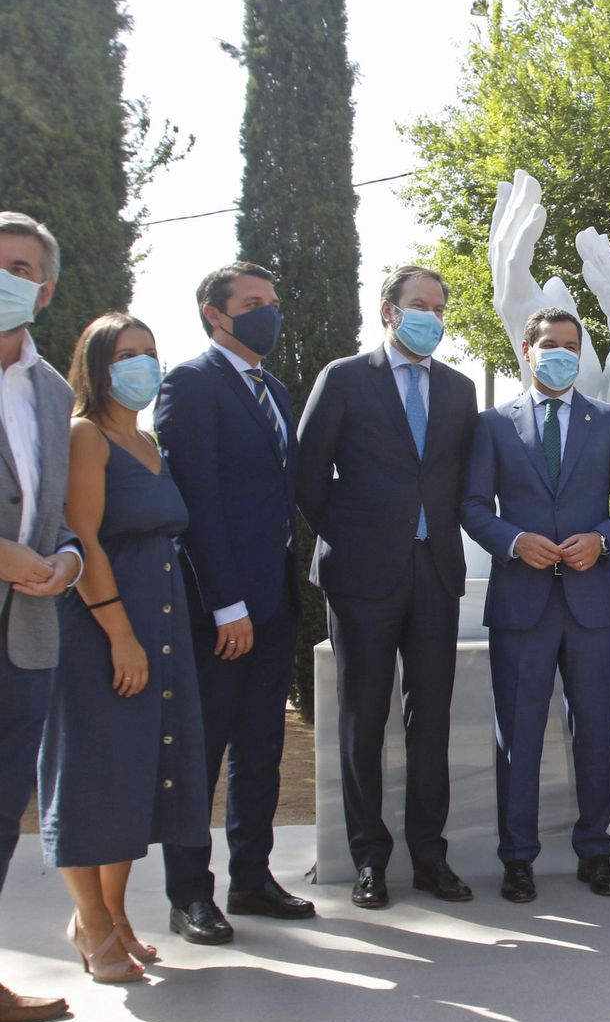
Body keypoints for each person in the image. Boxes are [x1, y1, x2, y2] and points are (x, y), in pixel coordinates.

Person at [297, 266, 479, 909]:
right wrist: (351, 540)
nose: (430, 315)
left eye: (438, 306)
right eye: (417, 305)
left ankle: (431, 858)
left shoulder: (458, 390)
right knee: (362, 720)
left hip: (436, 575)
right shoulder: (344, 378)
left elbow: (460, 480)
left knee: (430, 720)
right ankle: (369, 859)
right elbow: (309, 474)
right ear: (387, 312)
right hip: (362, 579)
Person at [39, 314, 210, 982]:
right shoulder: (88, 436)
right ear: (97, 365)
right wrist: (120, 635)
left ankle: (113, 914)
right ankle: (90, 920)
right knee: (92, 776)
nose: (143, 365)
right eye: (127, 354)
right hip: (102, 631)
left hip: (161, 628)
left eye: (150, 352)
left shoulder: (148, 440)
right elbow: (84, 538)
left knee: (137, 778)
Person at [462, 307, 610, 902]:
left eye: (571, 345)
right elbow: (471, 506)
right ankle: (517, 858)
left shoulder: (609, 420)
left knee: (595, 731)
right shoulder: (493, 424)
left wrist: (603, 540)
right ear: (527, 348)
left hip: (593, 603)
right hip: (522, 602)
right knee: (517, 735)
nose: (560, 353)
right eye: (550, 344)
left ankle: (597, 853)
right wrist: (514, 542)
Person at [157, 261, 314, 945]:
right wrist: (225, 603)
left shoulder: (272, 388)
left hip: (275, 596)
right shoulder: (190, 385)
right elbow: (196, 506)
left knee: (263, 744)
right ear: (215, 315)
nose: (267, 313)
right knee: (205, 748)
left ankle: (252, 875)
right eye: (252, 303)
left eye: (272, 302)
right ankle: (190, 892)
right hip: (221, 609)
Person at [0, 211, 81, 1022]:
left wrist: (63, 557)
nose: (7, 276)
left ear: (44, 288)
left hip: (25, 636)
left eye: (20, 266)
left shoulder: (51, 392)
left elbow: (56, 518)